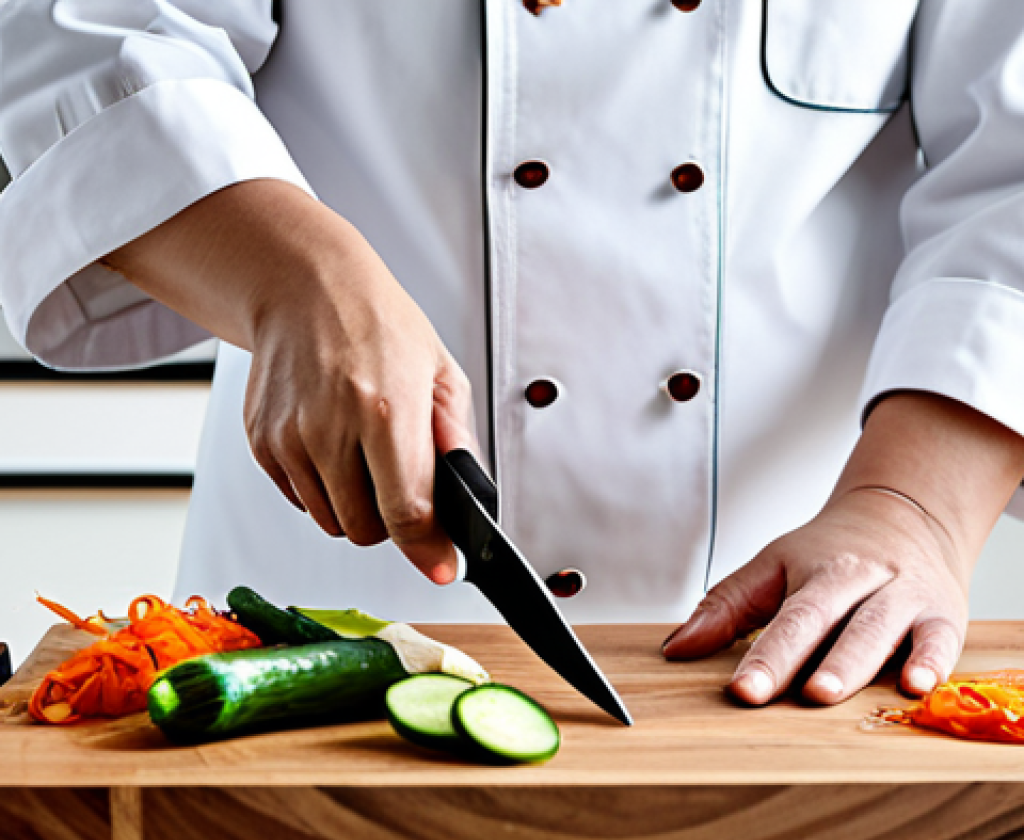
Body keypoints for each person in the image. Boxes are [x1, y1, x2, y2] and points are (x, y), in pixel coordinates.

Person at [2, 0, 1023, 710]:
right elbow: (88, 44)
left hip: (810, 624)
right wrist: (292, 276)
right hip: (311, 656)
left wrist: (915, 509)